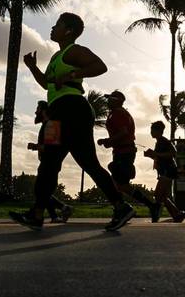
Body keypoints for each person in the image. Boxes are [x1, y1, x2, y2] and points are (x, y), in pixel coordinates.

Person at [9, 13, 134, 232]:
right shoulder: (57, 57)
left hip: (72, 109)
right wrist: (32, 67)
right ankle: (120, 206)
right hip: (59, 110)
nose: (53, 27)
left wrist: (72, 75)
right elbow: (46, 83)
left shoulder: (73, 51)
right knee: (77, 163)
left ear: (68, 31)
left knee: (50, 161)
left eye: (57, 24)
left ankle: (38, 213)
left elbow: (100, 66)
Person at [97, 90, 158, 218]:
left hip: (124, 152)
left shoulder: (118, 114)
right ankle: (143, 206)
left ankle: (129, 209)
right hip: (122, 151)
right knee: (119, 184)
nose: (107, 101)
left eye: (110, 99)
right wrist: (110, 142)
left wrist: (108, 141)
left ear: (117, 101)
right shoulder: (118, 113)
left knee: (121, 185)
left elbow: (123, 132)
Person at [28, 101, 72, 223]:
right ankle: (57, 213)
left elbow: (52, 148)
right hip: (47, 163)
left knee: (41, 191)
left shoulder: (51, 124)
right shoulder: (46, 124)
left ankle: (38, 216)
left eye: (37, 108)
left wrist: (35, 146)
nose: (35, 111)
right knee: (41, 191)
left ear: (43, 110)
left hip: (50, 164)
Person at [144, 120, 185, 222]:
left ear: (159, 131)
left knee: (158, 194)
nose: (151, 132)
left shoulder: (164, 141)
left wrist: (156, 154)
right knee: (162, 196)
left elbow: (173, 153)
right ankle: (176, 214)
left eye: (153, 130)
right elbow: (160, 157)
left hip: (168, 170)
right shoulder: (159, 142)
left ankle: (161, 214)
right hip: (165, 171)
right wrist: (151, 155)